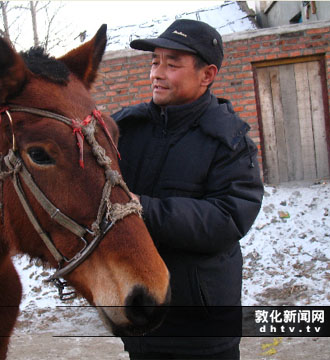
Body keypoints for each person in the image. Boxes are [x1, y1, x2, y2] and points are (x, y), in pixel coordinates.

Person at [112, 19, 264, 359]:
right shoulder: (126, 128)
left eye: (172, 64)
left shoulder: (229, 139)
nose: (157, 73)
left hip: (202, 326)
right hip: (143, 315)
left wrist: (144, 208)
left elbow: (228, 218)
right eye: (154, 61)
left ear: (207, 75)